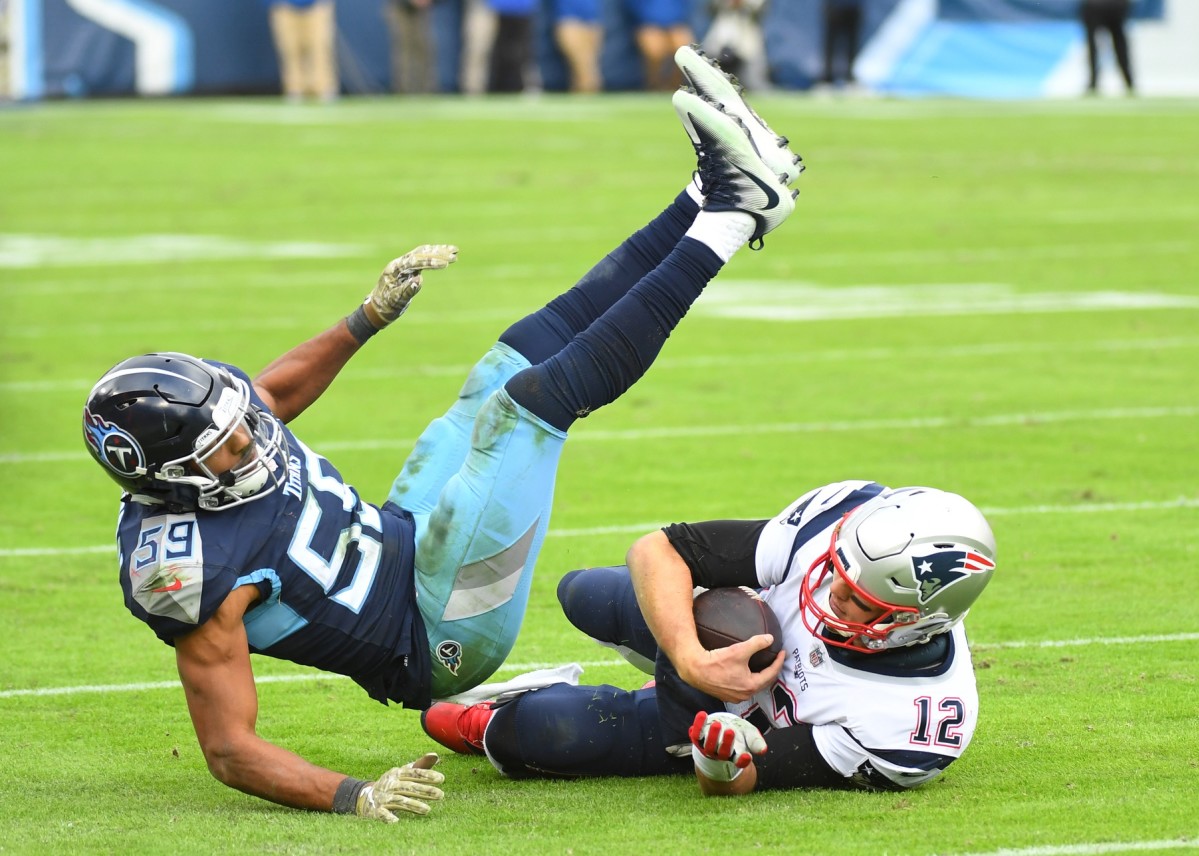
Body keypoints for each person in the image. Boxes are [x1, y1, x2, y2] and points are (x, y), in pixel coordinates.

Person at [80, 44, 801, 822]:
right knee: (524, 408)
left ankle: (701, 196)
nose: (251, 440)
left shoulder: (224, 420)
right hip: (436, 631)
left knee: (507, 362)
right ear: (170, 481)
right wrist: (351, 795)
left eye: (240, 425)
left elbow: (270, 393)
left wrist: (367, 318)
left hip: (406, 536)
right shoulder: (185, 571)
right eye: (224, 447)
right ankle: (734, 217)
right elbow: (227, 747)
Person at [422, 481, 998, 793]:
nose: (830, 596)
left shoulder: (914, 727)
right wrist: (692, 658)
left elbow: (751, 778)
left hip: (727, 723)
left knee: (540, 735)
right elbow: (658, 550)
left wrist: (722, 756)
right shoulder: (839, 523)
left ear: (918, 619)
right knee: (585, 592)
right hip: (707, 638)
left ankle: (514, 711)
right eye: (836, 574)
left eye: (859, 601)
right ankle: (671, 659)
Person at [266, 0, 339, 102]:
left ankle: (324, 88)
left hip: (316, 6)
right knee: (290, 50)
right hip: (284, 7)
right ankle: (295, 89)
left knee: (320, 47)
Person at [627, 0, 695, 91]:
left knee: (685, 50)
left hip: (677, 24)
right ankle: (655, 85)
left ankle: (676, 87)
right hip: (648, 24)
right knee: (655, 49)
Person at [1080, 0, 1135, 95]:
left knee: (1094, 46)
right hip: (1115, 5)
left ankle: (1093, 83)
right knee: (1119, 43)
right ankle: (1129, 82)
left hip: (1096, 5)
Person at [385, 0, 437, 95]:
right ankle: (403, 90)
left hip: (421, 12)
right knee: (405, 52)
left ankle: (426, 91)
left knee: (424, 50)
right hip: (401, 8)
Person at [553, 0, 604, 93]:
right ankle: (584, 83)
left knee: (591, 75)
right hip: (570, 19)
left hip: (590, 19)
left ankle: (587, 81)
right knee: (585, 76)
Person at [820, 0, 862, 89]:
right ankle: (827, 79)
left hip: (852, 7)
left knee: (852, 46)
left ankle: (849, 78)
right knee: (831, 46)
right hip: (835, 6)